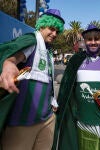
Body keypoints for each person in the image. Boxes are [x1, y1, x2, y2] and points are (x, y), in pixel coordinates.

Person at [52, 24, 100, 150]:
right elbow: (66, 88)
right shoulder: (76, 60)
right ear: (84, 41)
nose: (93, 42)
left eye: (96, 39)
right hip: (83, 121)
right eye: (89, 39)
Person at [0, 8, 65, 150]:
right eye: (51, 29)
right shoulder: (32, 41)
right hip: (22, 123)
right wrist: (8, 65)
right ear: (42, 25)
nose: (54, 34)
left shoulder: (48, 52)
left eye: (57, 31)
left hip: (47, 120)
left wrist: (52, 100)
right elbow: (11, 59)